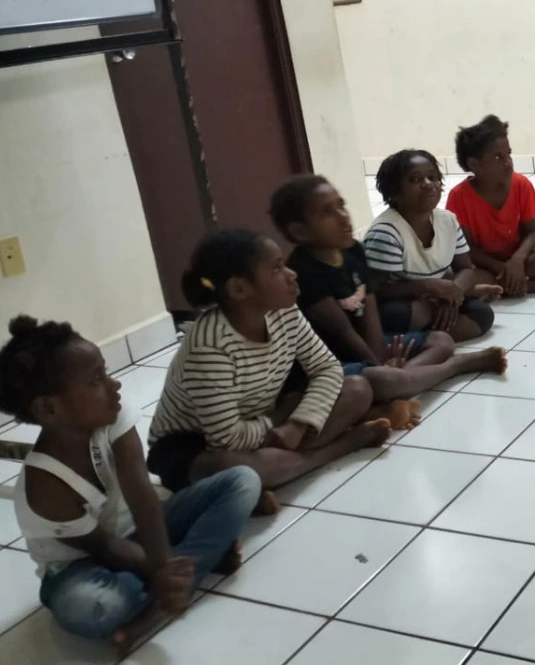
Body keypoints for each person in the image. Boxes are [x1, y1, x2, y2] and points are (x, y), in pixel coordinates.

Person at [0, 315, 259, 651]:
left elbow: (142, 498)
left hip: (140, 532)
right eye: (96, 380)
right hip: (83, 565)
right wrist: (161, 567)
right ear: (49, 408)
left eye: (106, 372)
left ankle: (161, 598)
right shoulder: (44, 484)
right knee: (91, 608)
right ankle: (185, 572)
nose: (115, 385)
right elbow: (105, 547)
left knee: (242, 481)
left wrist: (164, 565)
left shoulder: (113, 417)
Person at [147, 230, 391, 507]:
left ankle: (269, 475)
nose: (292, 274)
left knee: (358, 389)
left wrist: (297, 425)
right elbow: (226, 439)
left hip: (261, 419)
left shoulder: (283, 310)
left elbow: (327, 369)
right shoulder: (209, 345)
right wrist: (277, 421)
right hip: (197, 444)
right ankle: (338, 447)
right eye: (277, 269)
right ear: (239, 289)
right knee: (234, 466)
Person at [270, 175, 508, 428]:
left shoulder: (352, 250)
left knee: (441, 340)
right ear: (300, 231)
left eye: (341, 205)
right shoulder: (304, 272)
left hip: (367, 347)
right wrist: (377, 364)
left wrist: (381, 355)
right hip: (333, 361)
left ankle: (397, 386)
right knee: (384, 379)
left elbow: (370, 305)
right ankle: (453, 367)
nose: (343, 216)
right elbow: (344, 333)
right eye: (327, 213)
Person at [365, 149, 501, 342]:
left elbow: (466, 269)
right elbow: (375, 292)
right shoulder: (386, 232)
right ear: (394, 191)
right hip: (404, 304)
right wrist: (426, 287)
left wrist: (452, 294)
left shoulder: (448, 220)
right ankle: (423, 339)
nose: (428, 184)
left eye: (433, 177)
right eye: (415, 180)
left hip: (435, 298)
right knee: (403, 314)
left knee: (482, 314)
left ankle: (422, 339)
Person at [447, 115, 535, 295]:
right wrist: (501, 267)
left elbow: (532, 233)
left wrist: (517, 260)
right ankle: (529, 286)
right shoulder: (458, 197)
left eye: (508, 154)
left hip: (518, 258)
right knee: (457, 276)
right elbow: (467, 249)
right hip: (483, 264)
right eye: (498, 157)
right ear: (474, 164)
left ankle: (500, 287)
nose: (508, 161)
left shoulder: (521, 184)